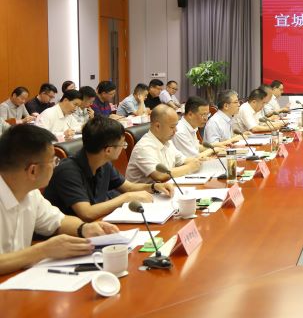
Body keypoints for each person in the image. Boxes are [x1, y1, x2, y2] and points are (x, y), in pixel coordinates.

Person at [0, 125, 117, 275]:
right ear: (33, 170)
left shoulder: (31, 194)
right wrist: (43, 250)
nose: (56, 166)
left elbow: (58, 221)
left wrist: (84, 228)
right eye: (54, 161)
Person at [43, 117, 173, 220]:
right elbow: (86, 213)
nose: (123, 147)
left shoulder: (103, 163)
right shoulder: (67, 171)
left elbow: (128, 187)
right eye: (122, 144)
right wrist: (126, 198)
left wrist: (154, 187)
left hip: (97, 225)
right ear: (109, 150)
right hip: (67, 235)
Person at [125, 105, 203, 184]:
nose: (176, 130)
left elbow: (182, 160)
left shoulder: (167, 141)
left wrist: (197, 161)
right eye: (172, 127)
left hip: (165, 187)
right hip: (145, 191)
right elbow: (159, 175)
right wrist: (189, 167)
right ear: (157, 126)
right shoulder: (144, 147)